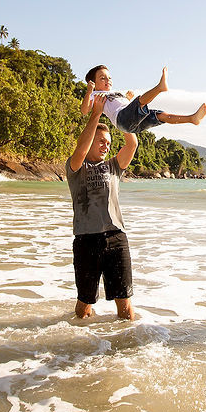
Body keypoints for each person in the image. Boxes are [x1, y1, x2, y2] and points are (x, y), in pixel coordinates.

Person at [66, 94, 139, 320]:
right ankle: (75, 347)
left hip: (116, 239)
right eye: (101, 141)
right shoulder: (76, 166)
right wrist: (96, 112)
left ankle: (125, 347)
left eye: (108, 142)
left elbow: (132, 143)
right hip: (86, 240)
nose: (106, 145)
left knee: (125, 307)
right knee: (84, 306)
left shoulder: (114, 166)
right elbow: (80, 149)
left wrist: (123, 113)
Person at [81, 65, 206, 134]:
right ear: (94, 83)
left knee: (160, 115)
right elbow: (85, 110)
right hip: (121, 119)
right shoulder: (96, 94)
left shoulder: (116, 92)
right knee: (140, 102)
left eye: (109, 77)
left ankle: (191, 119)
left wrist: (127, 98)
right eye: (102, 78)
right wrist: (89, 91)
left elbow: (124, 105)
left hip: (133, 124)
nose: (107, 80)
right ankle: (160, 88)